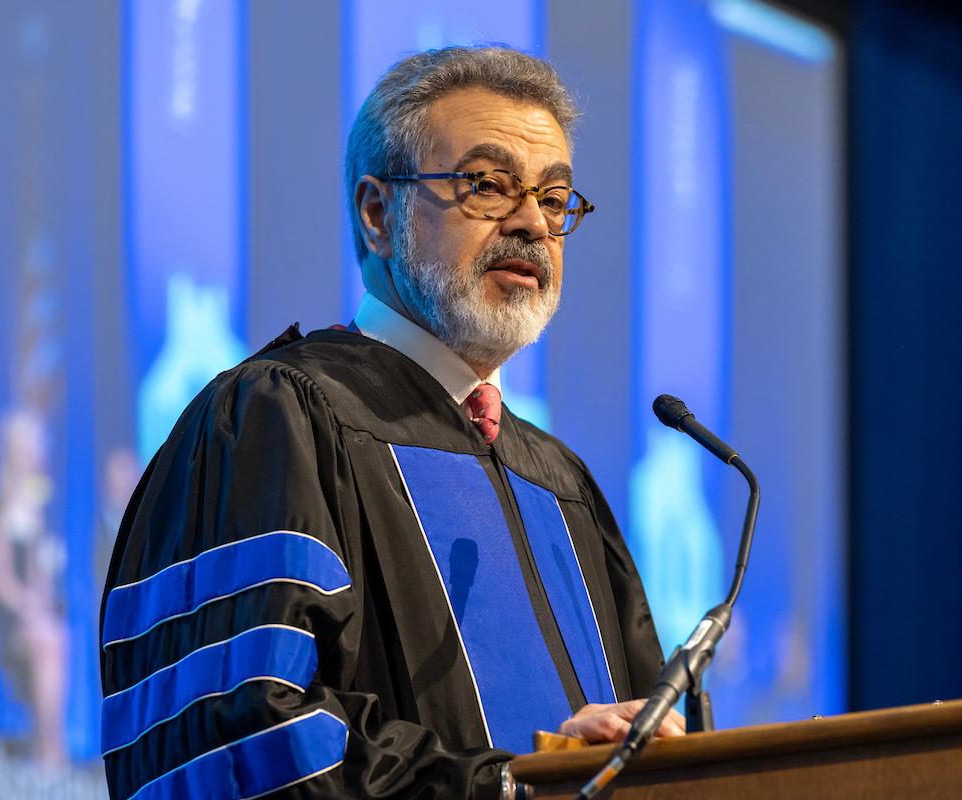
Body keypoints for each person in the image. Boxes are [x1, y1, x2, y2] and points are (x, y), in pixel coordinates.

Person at [100, 45, 681, 800]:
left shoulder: (562, 484)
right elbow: (245, 735)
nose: (533, 223)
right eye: (487, 185)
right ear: (378, 214)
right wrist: (507, 789)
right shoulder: (277, 419)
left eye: (554, 196)